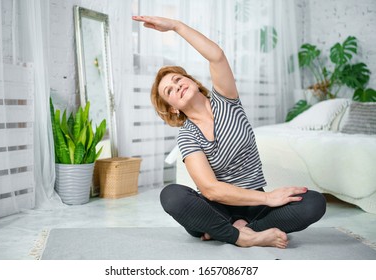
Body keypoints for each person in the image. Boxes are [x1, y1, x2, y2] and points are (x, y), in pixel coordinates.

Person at [132, 15, 326, 248]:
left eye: (177, 79)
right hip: (215, 208)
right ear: (173, 108)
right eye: (170, 90)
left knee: (314, 203)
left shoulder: (226, 100)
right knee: (171, 196)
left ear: (192, 81)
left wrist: (176, 26)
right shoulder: (187, 136)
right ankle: (244, 236)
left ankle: (235, 232)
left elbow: (217, 56)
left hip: (255, 206)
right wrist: (269, 197)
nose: (177, 86)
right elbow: (210, 190)